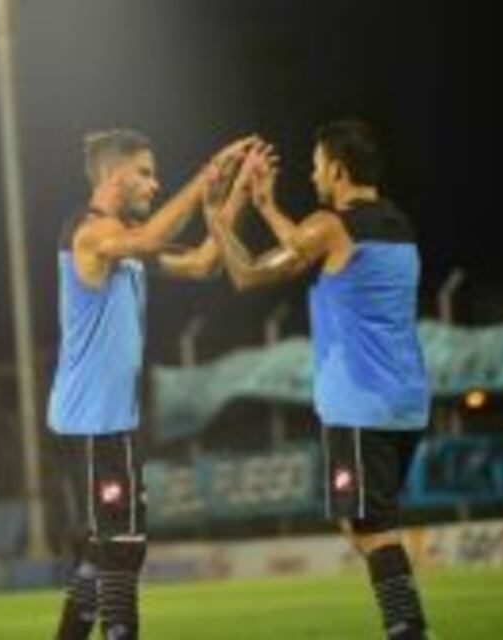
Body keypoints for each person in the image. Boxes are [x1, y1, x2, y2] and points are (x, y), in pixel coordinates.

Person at [205, 118, 432, 639]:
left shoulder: (331, 226)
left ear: (337, 168)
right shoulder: (398, 223)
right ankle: (410, 623)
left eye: (315, 167)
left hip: (360, 405)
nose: (312, 177)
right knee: (365, 523)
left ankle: (409, 629)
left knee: (371, 529)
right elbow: (316, 248)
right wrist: (265, 207)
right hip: (406, 403)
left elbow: (248, 273)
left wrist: (219, 217)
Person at [48, 128, 254, 640]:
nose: (155, 184)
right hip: (92, 420)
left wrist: (238, 192)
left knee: (106, 548)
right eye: (145, 172)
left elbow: (206, 262)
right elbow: (146, 238)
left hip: (110, 421)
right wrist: (205, 176)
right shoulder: (90, 233)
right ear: (115, 176)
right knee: (123, 544)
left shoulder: (126, 247)